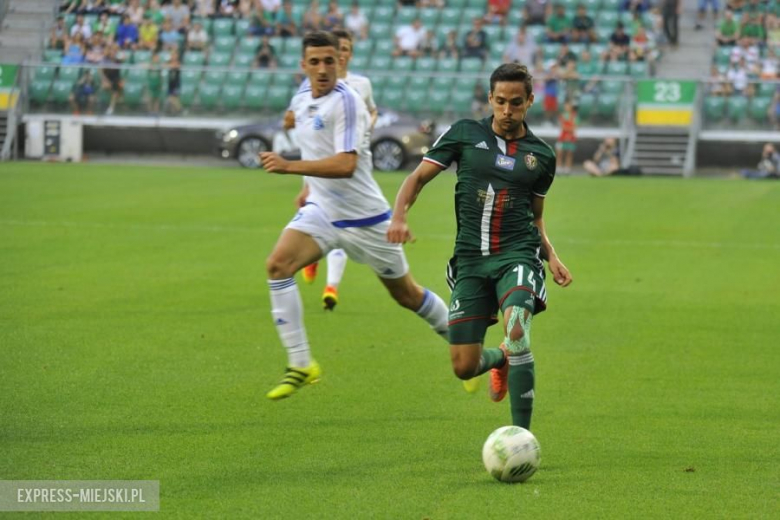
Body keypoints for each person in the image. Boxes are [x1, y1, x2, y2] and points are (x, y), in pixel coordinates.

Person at [259, 31, 450, 400]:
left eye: (329, 60)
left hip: (365, 219)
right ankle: (301, 363)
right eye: (314, 62)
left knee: (407, 296)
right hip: (323, 210)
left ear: (340, 62)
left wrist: (289, 166)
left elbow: (346, 164)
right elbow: (295, 119)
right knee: (277, 264)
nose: (323, 68)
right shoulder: (301, 94)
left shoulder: (347, 101)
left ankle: (464, 342)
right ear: (303, 66)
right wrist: (303, 172)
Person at [387, 63, 573, 429]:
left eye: (516, 103)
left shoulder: (541, 156)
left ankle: (522, 438)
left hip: (517, 255)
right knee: (463, 366)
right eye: (500, 101)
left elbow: (536, 217)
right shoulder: (464, 135)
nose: (507, 110)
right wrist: (398, 217)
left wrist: (551, 256)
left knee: (517, 327)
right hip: (471, 261)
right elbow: (417, 177)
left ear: (530, 101)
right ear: (490, 98)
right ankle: (500, 360)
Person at [297, 28, 379, 310]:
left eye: (345, 49)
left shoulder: (360, 85)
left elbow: (371, 109)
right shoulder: (310, 87)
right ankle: (313, 259)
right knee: (320, 219)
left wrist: (367, 125)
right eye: (338, 48)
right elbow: (297, 115)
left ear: (349, 54)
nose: (341, 54)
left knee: (339, 226)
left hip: (350, 160)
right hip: (320, 161)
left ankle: (331, 286)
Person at [556, 100, 577, 174]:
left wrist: (568, 128)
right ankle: (559, 167)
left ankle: (567, 168)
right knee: (559, 153)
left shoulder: (574, 116)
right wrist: (569, 128)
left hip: (571, 138)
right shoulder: (562, 115)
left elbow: (574, 127)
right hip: (562, 138)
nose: (567, 107)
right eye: (566, 106)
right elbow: (563, 127)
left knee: (569, 153)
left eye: (568, 106)